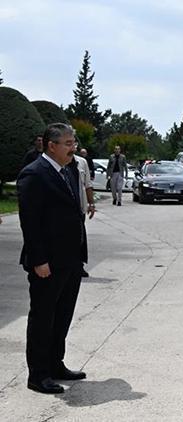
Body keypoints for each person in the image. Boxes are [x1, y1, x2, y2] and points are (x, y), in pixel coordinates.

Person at [17, 123, 88, 394]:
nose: (74, 148)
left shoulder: (68, 170)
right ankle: (38, 374)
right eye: (68, 143)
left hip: (71, 260)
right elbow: (30, 223)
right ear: (52, 145)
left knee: (62, 316)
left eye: (73, 142)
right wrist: (39, 260)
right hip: (47, 262)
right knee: (43, 318)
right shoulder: (34, 174)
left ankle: (55, 363)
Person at [70, 150, 96, 278]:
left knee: (79, 237)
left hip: (79, 208)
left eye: (73, 143)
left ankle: (78, 265)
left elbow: (87, 184)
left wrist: (91, 204)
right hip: (64, 209)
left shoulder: (81, 162)